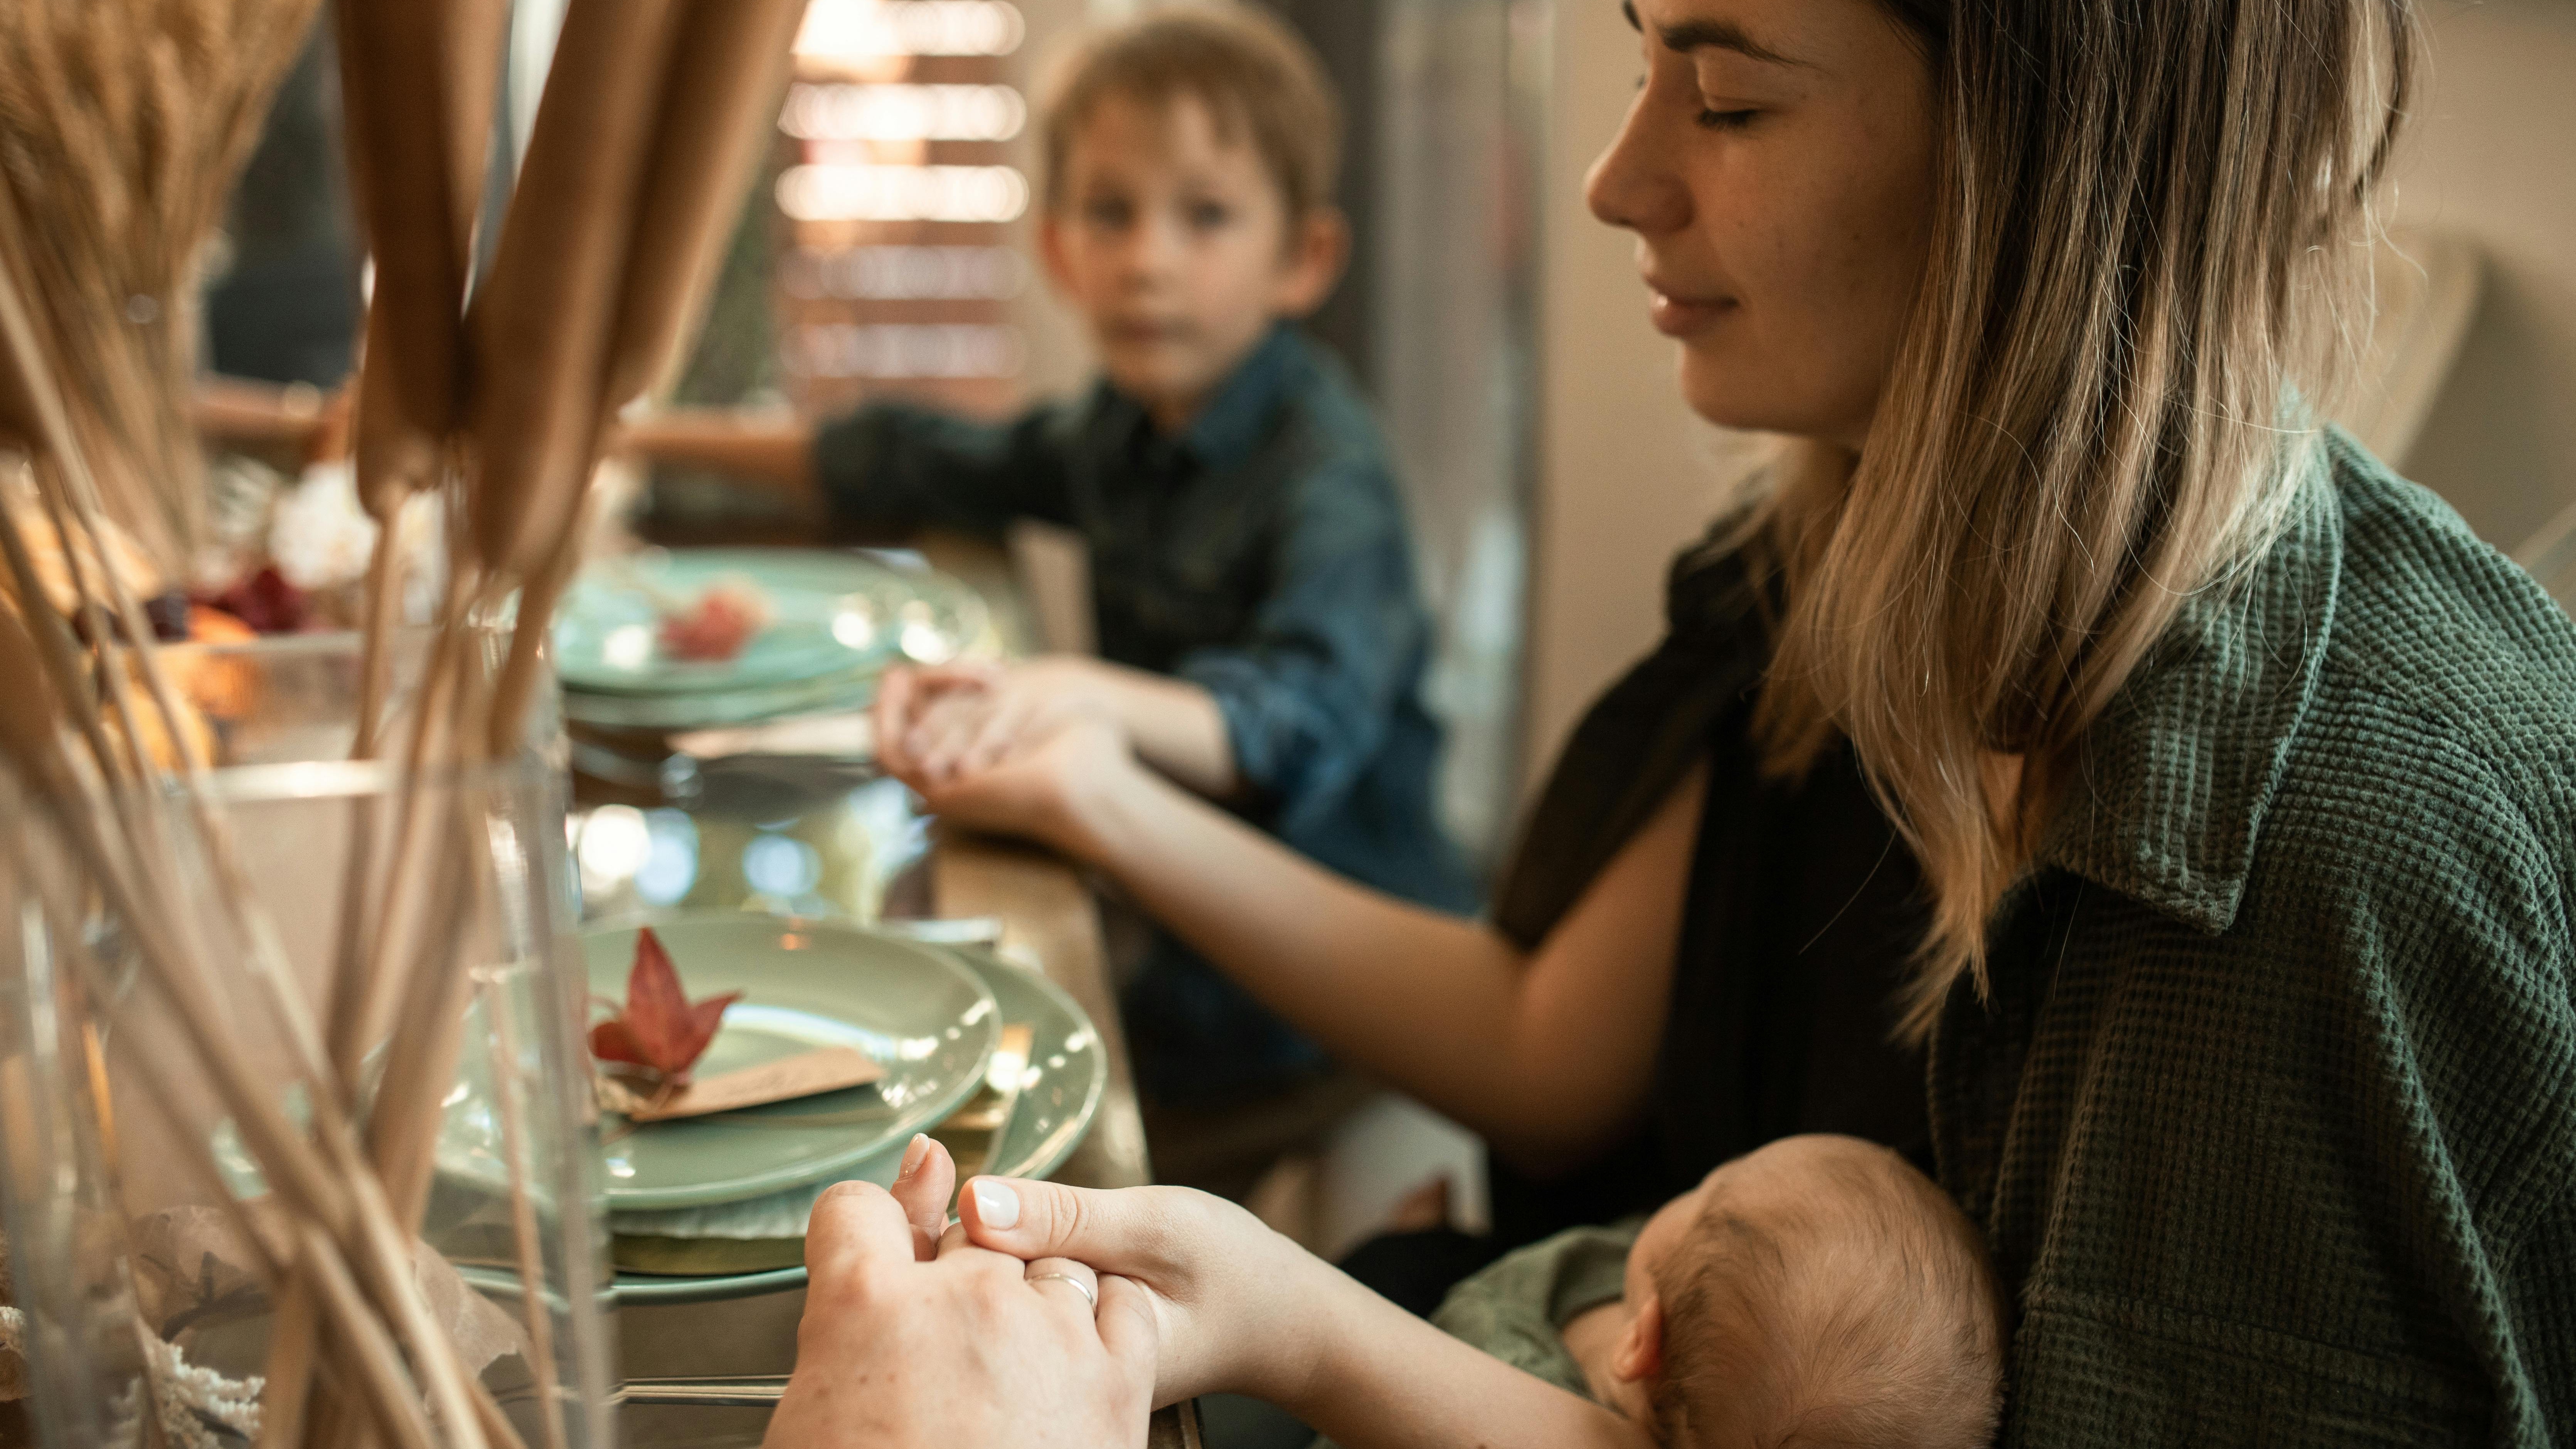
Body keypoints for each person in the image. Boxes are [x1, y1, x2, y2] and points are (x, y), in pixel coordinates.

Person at [784, 0, 2576, 1438]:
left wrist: (1304, 1325)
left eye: (1723, 98)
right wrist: (1095, 791)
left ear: (2042, 164)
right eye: (1642, 60)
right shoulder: (1847, 556)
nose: (1615, 178)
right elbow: (1553, 1041)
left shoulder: (2321, 875)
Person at [630, 5, 1475, 1111]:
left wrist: (1080, 696)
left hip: (1326, 1001)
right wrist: (628, 431)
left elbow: (1292, 725)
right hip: (1182, 942)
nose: (1146, 261)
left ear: (1303, 258)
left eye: (1205, 216)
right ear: (1058, 250)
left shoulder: (1330, 477)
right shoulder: (1117, 429)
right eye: (1110, 214)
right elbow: (905, 459)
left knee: (983, 1097)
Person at [772, 1133, 2001, 1449]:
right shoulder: (1726, 1338)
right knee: (1405, 1257)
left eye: (1708, 1187)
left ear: (1641, 1342)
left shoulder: (1518, 1354)